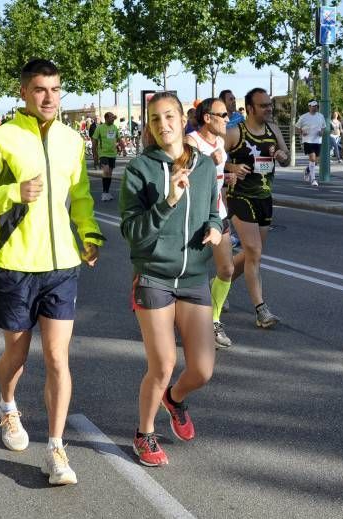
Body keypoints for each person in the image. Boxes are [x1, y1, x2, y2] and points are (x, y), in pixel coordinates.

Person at [0, 59, 103, 486]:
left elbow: (79, 193)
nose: (49, 97)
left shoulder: (71, 141)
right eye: (40, 89)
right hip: (16, 265)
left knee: (58, 357)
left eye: (56, 89)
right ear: (24, 92)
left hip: (62, 266)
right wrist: (11, 192)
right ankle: (7, 404)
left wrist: (89, 232)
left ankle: (56, 448)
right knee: (18, 356)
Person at [119, 91, 222, 467]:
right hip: (154, 276)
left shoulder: (207, 166)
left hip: (194, 275)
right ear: (149, 125)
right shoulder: (139, 171)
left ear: (183, 120)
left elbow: (214, 209)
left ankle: (175, 399)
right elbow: (133, 233)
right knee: (162, 365)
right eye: (155, 119)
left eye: (169, 117)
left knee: (202, 370)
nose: (163, 125)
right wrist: (168, 202)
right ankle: (144, 434)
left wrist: (213, 226)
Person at [224, 88, 290, 328]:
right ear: (250, 108)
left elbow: (286, 158)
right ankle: (261, 310)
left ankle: (221, 282)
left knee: (253, 253)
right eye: (263, 105)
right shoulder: (235, 132)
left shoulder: (272, 130)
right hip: (240, 197)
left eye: (269, 104)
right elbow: (212, 159)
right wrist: (231, 169)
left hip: (264, 197)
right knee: (254, 251)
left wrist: (282, 155)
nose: (268, 109)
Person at [184, 97, 237, 349]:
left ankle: (213, 320)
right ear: (207, 117)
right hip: (194, 217)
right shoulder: (191, 142)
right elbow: (180, 178)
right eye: (223, 114)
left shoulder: (221, 141)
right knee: (190, 273)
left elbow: (216, 181)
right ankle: (181, 320)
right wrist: (206, 162)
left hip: (218, 214)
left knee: (226, 270)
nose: (228, 119)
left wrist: (226, 176)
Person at [296, 100, 326, 186]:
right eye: (313, 106)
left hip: (318, 141)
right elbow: (297, 127)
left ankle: (307, 170)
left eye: (316, 106)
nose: (315, 107)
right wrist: (302, 132)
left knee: (316, 161)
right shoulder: (303, 117)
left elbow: (323, 127)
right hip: (308, 140)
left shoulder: (321, 116)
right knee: (312, 158)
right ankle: (313, 179)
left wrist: (321, 132)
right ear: (309, 107)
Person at [92, 112, 119, 201]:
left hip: (112, 154)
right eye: (112, 118)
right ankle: (104, 193)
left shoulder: (114, 127)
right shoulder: (100, 128)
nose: (113, 120)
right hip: (103, 153)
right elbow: (95, 141)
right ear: (106, 118)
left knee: (110, 174)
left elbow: (118, 138)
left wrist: (123, 148)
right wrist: (95, 156)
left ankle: (107, 192)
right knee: (106, 171)